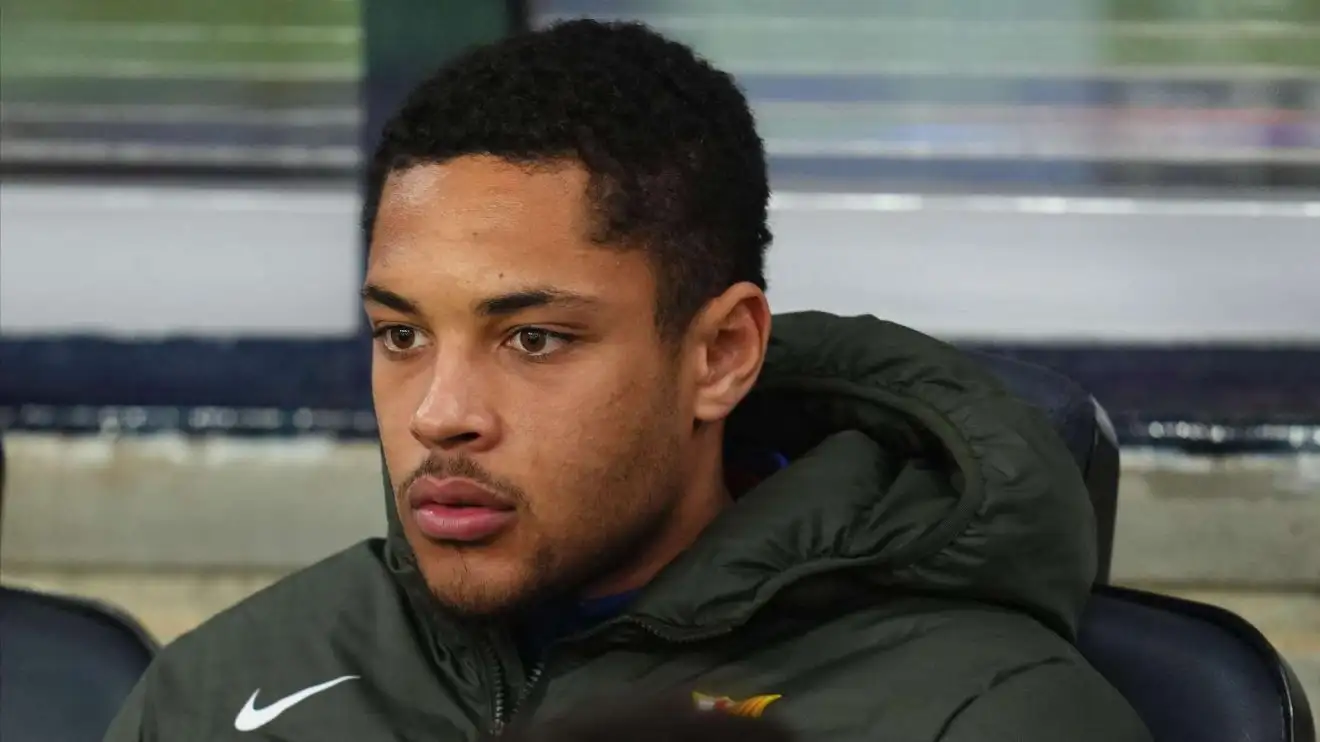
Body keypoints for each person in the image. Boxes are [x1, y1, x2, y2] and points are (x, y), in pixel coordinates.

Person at [105, 20, 1151, 742]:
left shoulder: (980, 714)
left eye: (534, 340)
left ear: (720, 355)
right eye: (400, 335)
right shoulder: (218, 687)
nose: (440, 414)